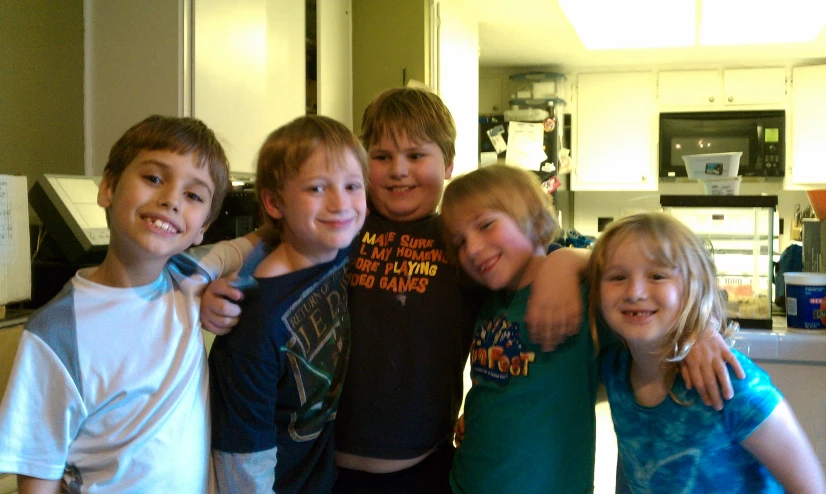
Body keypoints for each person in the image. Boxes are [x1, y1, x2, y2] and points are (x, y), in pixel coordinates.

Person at [201, 88, 738, 492]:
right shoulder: (343, 226)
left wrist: (698, 328)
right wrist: (205, 281)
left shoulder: (461, 243)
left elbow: (626, 266)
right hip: (326, 465)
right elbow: (261, 241)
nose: (398, 171)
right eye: (382, 157)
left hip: (430, 467)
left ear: (448, 165)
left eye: (417, 156)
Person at [0, 115, 259, 493]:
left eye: (193, 196)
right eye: (154, 178)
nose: (170, 200)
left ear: (202, 228)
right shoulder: (55, 332)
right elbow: (38, 475)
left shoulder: (189, 278)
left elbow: (246, 245)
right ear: (107, 187)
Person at [589, 212, 826, 493]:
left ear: (694, 287)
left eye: (657, 275)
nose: (635, 291)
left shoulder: (732, 383)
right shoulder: (615, 372)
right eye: (617, 277)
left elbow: (810, 487)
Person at [208, 115, 368, 493]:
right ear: (274, 202)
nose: (341, 203)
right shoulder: (253, 323)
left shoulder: (337, 249)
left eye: (352, 186)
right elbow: (241, 457)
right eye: (316, 188)